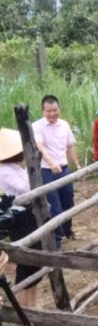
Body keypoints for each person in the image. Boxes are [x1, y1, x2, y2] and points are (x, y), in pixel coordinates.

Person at [0, 128, 43, 308]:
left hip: (27, 213)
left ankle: (30, 305)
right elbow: (26, 188)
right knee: (27, 262)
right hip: (19, 215)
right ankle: (25, 308)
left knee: (35, 263)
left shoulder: (13, 168)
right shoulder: (4, 171)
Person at [33, 95, 80, 248]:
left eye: (55, 110)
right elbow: (40, 147)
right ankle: (57, 239)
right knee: (54, 206)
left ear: (59, 108)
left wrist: (77, 165)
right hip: (47, 171)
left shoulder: (64, 125)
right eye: (48, 111)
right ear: (43, 111)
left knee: (68, 202)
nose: (52, 114)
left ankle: (68, 230)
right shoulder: (37, 126)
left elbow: (70, 147)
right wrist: (51, 162)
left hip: (64, 170)